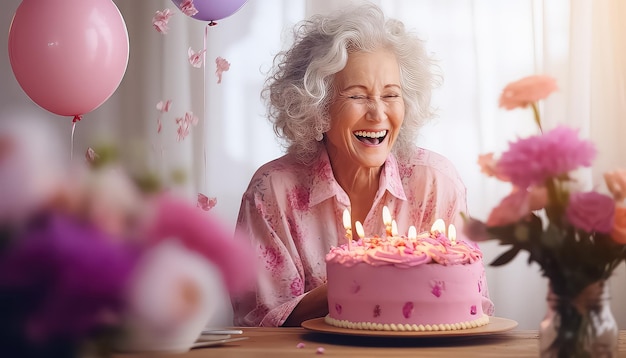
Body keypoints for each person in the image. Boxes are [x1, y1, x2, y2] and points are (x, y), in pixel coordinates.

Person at [232, 3, 494, 327]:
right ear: (319, 106)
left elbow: (472, 307)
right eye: (357, 96)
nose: (377, 113)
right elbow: (259, 322)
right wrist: (370, 280)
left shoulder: (436, 184)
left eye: (391, 95)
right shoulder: (272, 191)